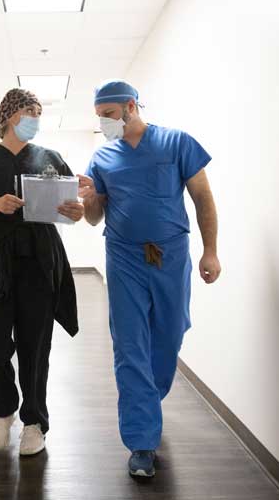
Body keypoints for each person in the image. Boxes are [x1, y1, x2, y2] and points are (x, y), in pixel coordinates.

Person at [79, 80, 221, 477]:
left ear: (129, 106)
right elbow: (93, 217)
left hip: (171, 255)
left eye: (107, 115)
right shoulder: (102, 157)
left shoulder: (177, 143)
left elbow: (203, 200)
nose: (104, 124)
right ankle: (141, 442)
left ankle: (148, 402)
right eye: (99, 118)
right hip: (123, 257)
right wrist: (90, 199)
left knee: (170, 334)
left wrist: (210, 250)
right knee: (129, 346)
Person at [0, 88, 84, 456]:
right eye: (29, 111)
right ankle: (2, 410)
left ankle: (35, 422)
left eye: (39, 113)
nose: (35, 119)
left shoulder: (50, 158)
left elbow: (75, 208)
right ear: (9, 115)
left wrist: (76, 211)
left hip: (40, 259)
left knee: (35, 344)